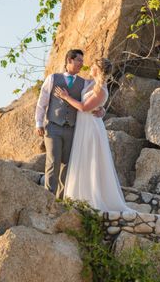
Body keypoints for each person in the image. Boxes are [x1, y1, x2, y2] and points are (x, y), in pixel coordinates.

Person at [53, 58, 129, 212]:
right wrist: (103, 110)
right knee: (81, 160)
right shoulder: (90, 83)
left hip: (91, 129)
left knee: (89, 161)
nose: (90, 67)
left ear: (98, 70)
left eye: (93, 65)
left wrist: (65, 97)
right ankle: (78, 197)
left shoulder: (101, 89)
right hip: (83, 126)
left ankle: (91, 199)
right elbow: (96, 105)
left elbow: (83, 107)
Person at [34, 49, 104, 199]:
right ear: (69, 60)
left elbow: (98, 94)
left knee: (67, 165)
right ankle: (48, 198)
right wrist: (38, 123)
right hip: (53, 127)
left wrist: (102, 109)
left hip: (73, 129)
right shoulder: (52, 79)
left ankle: (61, 200)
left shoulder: (84, 83)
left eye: (82, 60)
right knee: (53, 162)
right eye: (79, 60)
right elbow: (42, 103)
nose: (82, 63)